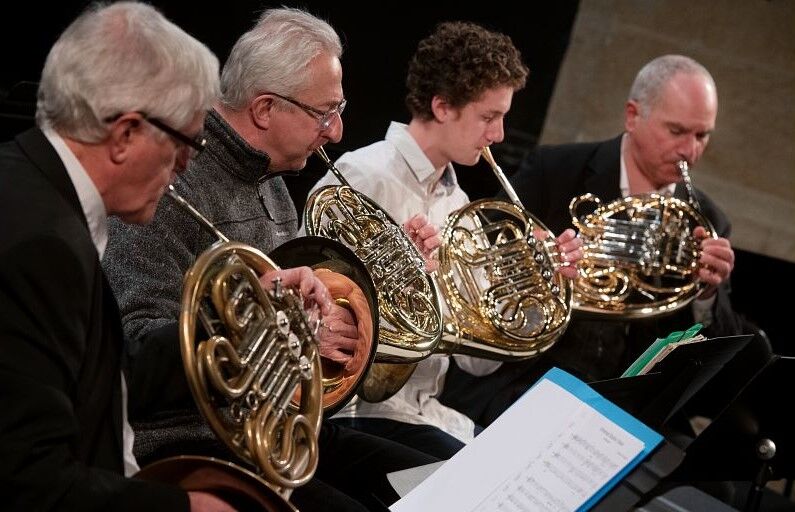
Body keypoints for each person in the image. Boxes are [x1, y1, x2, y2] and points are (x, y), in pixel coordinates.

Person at [102, 8, 438, 512]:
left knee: (438, 475)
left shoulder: (275, 187)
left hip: (278, 428)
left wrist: (341, 314)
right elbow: (135, 355)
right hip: (196, 442)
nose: (338, 130)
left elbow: (294, 304)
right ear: (264, 109)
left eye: (339, 108)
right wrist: (268, 324)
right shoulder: (171, 186)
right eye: (325, 112)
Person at [446, 54, 771, 432]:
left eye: (702, 136)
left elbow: (714, 360)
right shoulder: (556, 170)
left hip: (631, 400)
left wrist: (706, 297)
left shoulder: (708, 220)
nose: (690, 151)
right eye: (677, 131)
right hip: (532, 376)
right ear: (632, 116)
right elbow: (478, 260)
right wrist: (541, 263)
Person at [306, 21, 582, 459]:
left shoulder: (460, 203)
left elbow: (478, 360)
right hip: (356, 414)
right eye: (488, 117)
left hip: (427, 412)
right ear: (442, 106)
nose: (499, 135)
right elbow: (311, 302)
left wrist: (534, 287)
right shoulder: (362, 176)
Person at [0, 2, 238, 510]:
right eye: (186, 146)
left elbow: (97, 377)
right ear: (127, 133)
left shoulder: (34, 187)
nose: (183, 169)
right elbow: (27, 480)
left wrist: (239, 331)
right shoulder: (41, 243)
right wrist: (186, 508)